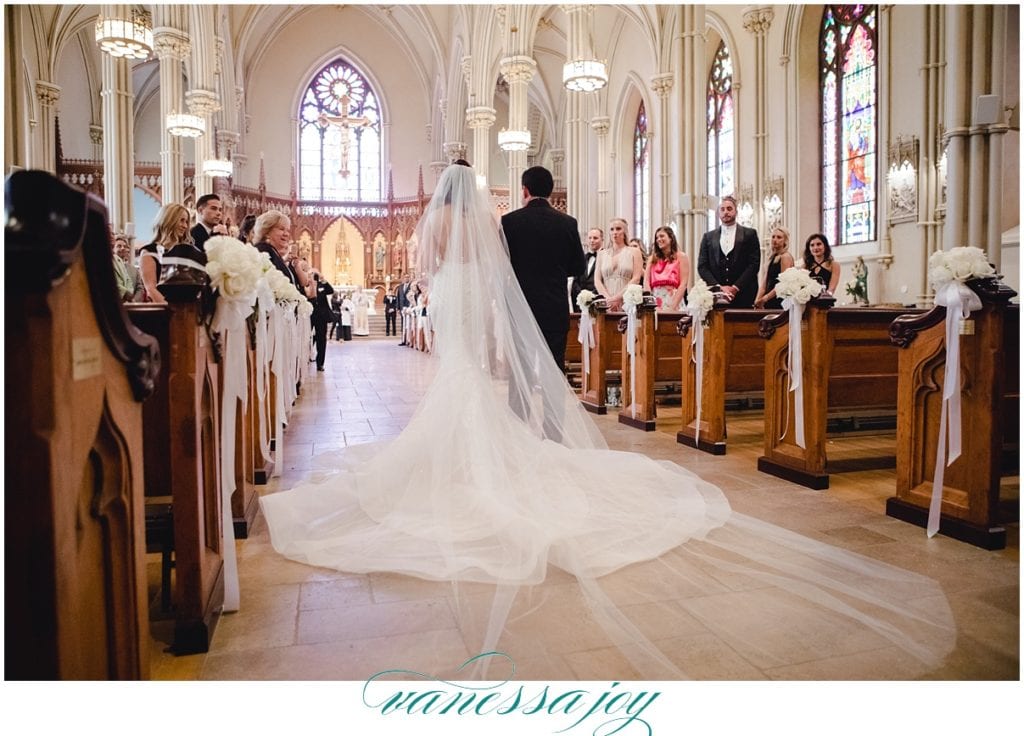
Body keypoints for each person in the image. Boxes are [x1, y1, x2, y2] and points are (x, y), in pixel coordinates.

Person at [259, 162, 954, 680]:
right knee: (478, 382)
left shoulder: (448, 226)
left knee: (457, 379)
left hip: (449, 298)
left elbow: (429, 265)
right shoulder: (509, 225)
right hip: (506, 302)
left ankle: (461, 464)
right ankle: (502, 454)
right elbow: (556, 271)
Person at [501, 165, 585, 371]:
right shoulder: (568, 223)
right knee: (554, 369)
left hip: (521, 306)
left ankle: (520, 405)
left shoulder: (509, 222)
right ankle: (553, 405)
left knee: (521, 371)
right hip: (554, 306)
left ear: (525, 190)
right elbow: (578, 266)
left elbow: (501, 265)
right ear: (550, 190)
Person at [697, 195, 761, 307]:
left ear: (736, 212)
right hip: (715, 295)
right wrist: (719, 287)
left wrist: (735, 287)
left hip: (744, 293)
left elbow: (754, 264)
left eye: (729, 209)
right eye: (722, 209)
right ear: (718, 214)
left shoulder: (750, 234)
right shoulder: (708, 237)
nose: (726, 212)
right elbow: (702, 266)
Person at [139, 203, 191, 303]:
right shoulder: (149, 252)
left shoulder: (185, 250)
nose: (185, 226)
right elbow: (151, 289)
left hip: (188, 309)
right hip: (164, 310)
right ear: (169, 221)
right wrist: (172, 311)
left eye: (187, 222)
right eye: (181, 220)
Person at [594, 218, 643, 310]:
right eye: (612, 229)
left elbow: (636, 278)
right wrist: (608, 299)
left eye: (618, 229)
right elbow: (597, 280)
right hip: (606, 302)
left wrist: (617, 298)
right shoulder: (601, 254)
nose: (615, 232)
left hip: (627, 302)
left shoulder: (635, 252)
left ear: (625, 231)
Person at [645, 225, 689, 311]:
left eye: (662, 236)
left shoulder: (681, 257)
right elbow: (646, 282)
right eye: (657, 237)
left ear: (671, 238)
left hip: (674, 300)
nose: (658, 239)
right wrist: (653, 305)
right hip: (655, 301)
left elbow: (683, 284)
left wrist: (672, 307)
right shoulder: (652, 259)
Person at [252, 211, 298, 286]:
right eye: (281, 229)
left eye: (288, 230)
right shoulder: (263, 250)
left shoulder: (272, 251)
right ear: (267, 231)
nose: (286, 234)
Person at [754, 226, 796, 309]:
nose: (775, 239)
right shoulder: (772, 257)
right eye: (773, 237)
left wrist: (765, 298)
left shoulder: (785, 257)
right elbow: (764, 283)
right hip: (768, 298)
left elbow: (783, 284)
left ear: (785, 241)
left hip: (779, 299)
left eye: (779, 237)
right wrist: (757, 300)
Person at [570, 227, 603, 312]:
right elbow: (575, 281)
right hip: (580, 304)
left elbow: (604, 281)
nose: (592, 240)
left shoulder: (605, 258)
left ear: (602, 240)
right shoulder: (581, 258)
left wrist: (592, 296)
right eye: (590, 238)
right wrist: (581, 295)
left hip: (598, 303)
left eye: (595, 238)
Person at [310, 271, 335, 372]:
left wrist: (323, 279)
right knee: (308, 338)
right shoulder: (306, 286)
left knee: (321, 340)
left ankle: (320, 363)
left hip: (322, 316)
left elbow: (330, 290)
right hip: (310, 315)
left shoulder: (322, 285)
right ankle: (307, 357)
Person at [396, 273, 412, 345]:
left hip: (409, 308)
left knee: (408, 325)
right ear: (403, 278)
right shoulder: (400, 286)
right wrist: (398, 308)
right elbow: (398, 298)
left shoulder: (411, 286)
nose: (406, 278)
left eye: (408, 277)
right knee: (403, 324)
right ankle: (403, 340)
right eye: (405, 277)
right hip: (402, 308)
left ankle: (409, 340)